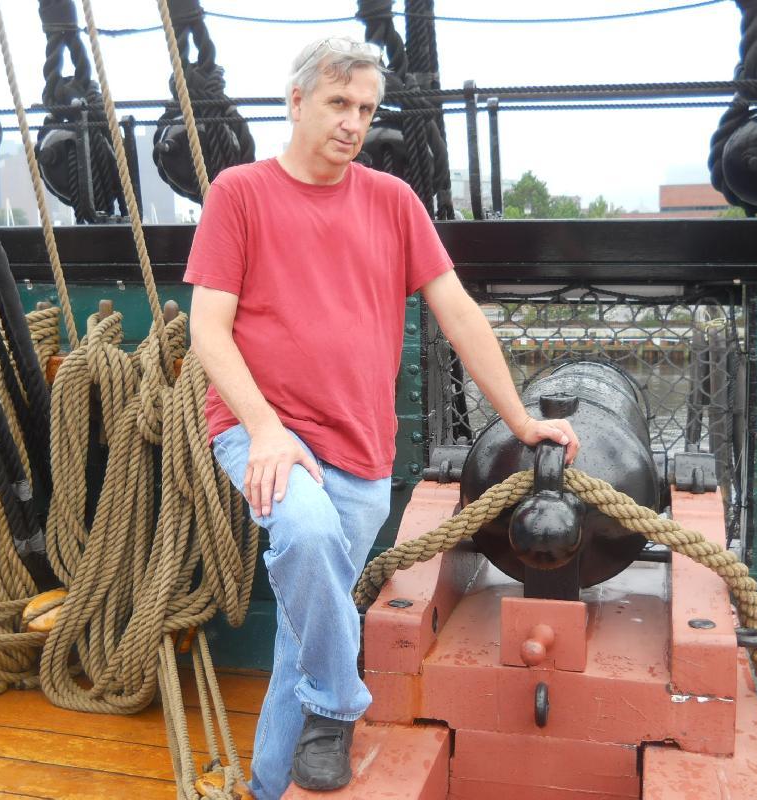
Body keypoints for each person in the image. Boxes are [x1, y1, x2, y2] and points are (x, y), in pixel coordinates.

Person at [186, 36, 579, 800]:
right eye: (338, 103)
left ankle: (267, 786)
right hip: (262, 433)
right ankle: (339, 705)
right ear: (296, 101)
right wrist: (264, 430)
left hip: (360, 450)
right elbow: (208, 328)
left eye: (365, 109)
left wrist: (520, 421)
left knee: (302, 633)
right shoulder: (240, 194)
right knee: (303, 536)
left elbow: (458, 314)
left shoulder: (393, 202)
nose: (353, 122)